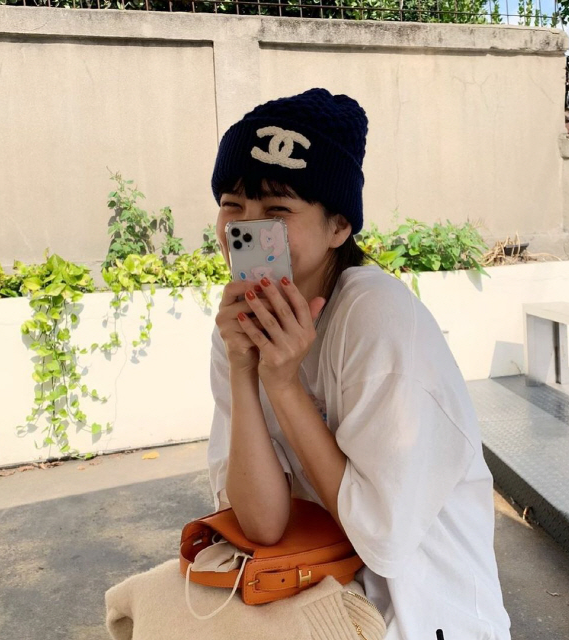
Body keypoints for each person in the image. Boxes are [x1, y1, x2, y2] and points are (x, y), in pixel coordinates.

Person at [206, 87, 511, 640]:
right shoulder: (237, 328)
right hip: (319, 591)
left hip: (423, 613)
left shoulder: (374, 315)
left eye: (278, 211)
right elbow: (263, 523)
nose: (247, 231)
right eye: (233, 206)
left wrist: (286, 386)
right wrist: (245, 372)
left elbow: (382, 540)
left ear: (339, 226)